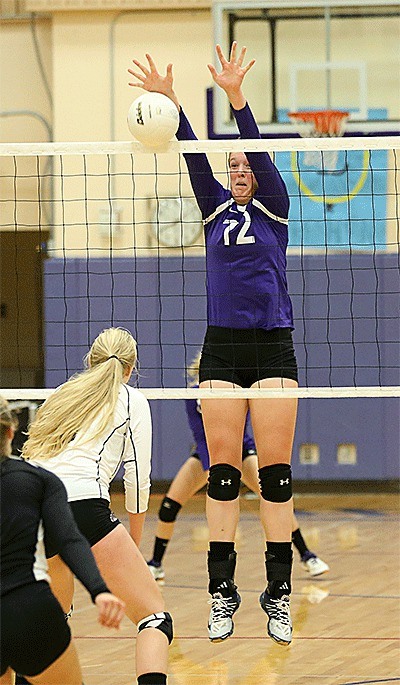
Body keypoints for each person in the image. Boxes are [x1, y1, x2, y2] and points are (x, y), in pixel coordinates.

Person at [129, 43, 299, 645]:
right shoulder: (213, 209)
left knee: (275, 477)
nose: (236, 171)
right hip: (222, 348)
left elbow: (255, 150)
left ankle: (277, 595)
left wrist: (236, 99)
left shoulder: (275, 209)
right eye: (231, 168)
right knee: (223, 474)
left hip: (274, 345)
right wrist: (172, 102)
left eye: (243, 166)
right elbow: (193, 156)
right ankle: (220, 595)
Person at [22, 328, 173, 685]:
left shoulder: (62, 394)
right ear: (130, 368)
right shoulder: (131, 399)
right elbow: (137, 480)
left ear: (90, 361)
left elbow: (33, 455)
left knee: (49, 631)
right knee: (155, 619)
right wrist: (133, 545)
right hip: (84, 508)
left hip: (35, 514)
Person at [147, 354, 329, 582]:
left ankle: (307, 556)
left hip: (241, 451)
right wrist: (214, 468)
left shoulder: (238, 388)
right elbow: (200, 435)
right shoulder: (193, 393)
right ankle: (155, 564)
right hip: (208, 452)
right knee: (168, 506)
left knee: (274, 498)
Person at [0, 395, 126, 685]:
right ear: (11, 430)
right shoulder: (39, 480)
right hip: (28, 609)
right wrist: (99, 590)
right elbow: (69, 540)